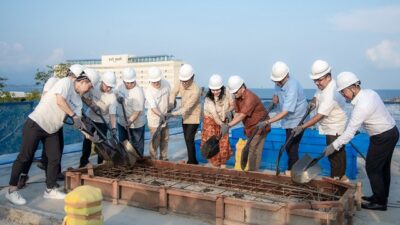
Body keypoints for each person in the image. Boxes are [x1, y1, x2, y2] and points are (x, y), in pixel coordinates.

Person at [5, 69, 94, 205]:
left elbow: (79, 122)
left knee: (55, 158)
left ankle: (50, 190)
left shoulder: (78, 100)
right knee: (25, 157)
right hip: (36, 123)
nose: (90, 90)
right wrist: (74, 116)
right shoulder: (66, 83)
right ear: (83, 81)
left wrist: (88, 135)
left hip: (52, 130)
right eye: (89, 86)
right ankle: (11, 190)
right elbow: (60, 101)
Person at [323, 72, 399, 211]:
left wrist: (333, 146)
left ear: (353, 87)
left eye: (343, 91)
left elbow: (349, 132)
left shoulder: (361, 106)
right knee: (383, 168)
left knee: (372, 168)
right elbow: (374, 116)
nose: (342, 95)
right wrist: (357, 129)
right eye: (340, 92)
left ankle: (380, 203)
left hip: (382, 136)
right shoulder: (369, 93)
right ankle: (380, 197)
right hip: (391, 131)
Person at [292, 60, 348, 181]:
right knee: (333, 156)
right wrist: (313, 101)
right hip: (329, 127)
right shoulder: (323, 86)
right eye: (315, 81)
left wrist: (302, 127)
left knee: (335, 157)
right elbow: (317, 94)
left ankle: (337, 180)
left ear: (328, 76)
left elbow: (319, 115)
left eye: (319, 80)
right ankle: (339, 178)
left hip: (335, 128)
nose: (317, 83)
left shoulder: (332, 92)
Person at [257, 61, 308, 175]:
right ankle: (294, 170)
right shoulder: (278, 83)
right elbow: (276, 94)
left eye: (279, 81)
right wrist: (275, 98)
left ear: (286, 76)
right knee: (289, 147)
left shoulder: (293, 86)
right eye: (275, 81)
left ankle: (293, 172)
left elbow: (285, 112)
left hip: (298, 120)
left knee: (291, 147)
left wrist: (267, 122)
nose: (277, 83)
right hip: (288, 121)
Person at [224, 75, 270, 171]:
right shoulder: (237, 97)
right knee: (251, 149)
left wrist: (228, 126)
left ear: (242, 88)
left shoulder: (250, 98)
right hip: (250, 127)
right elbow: (237, 113)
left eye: (235, 92)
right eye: (233, 92)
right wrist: (228, 124)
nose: (234, 94)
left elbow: (242, 115)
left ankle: (253, 172)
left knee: (254, 149)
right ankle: (252, 171)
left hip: (260, 126)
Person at [80, 71, 117, 167]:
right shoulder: (93, 87)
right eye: (107, 86)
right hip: (90, 118)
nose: (109, 88)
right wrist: (92, 105)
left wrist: (113, 128)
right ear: (102, 82)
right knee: (87, 140)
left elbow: (112, 115)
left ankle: (100, 164)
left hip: (102, 121)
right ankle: (83, 162)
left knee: (101, 143)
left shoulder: (112, 97)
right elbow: (83, 98)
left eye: (111, 87)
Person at [169, 64, 201, 164]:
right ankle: (193, 160)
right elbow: (173, 92)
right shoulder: (181, 82)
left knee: (189, 138)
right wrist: (171, 104)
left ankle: (192, 162)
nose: (184, 83)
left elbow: (186, 109)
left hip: (194, 117)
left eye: (186, 81)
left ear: (192, 77)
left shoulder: (196, 90)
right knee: (187, 139)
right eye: (182, 80)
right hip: (185, 117)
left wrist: (172, 114)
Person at [201, 74, 234, 168]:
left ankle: (223, 165)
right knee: (213, 144)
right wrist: (223, 125)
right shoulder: (208, 100)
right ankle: (216, 166)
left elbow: (232, 104)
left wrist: (229, 111)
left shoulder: (227, 92)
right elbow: (215, 116)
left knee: (224, 142)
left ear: (222, 87)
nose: (215, 92)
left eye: (217, 89)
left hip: (224, 119)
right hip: (211, 122)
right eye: (213, 90)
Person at [116, 68, 145, 155]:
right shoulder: (120, 86)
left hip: (136, 124)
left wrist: (129, 121)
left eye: (131, 82)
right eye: (127, 83)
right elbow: (116, 93)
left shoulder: (138, 92)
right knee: (123, 144)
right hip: (121, 122)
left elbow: (137, 112)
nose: (129, 84)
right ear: (124, 81)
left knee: (137, 146)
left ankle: (138, 163)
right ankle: (125, 163)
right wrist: (118, 97)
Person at [145, 67, 171, 160]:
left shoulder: (166, 84)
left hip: (165, 117)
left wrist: (171, 106)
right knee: (155, 140)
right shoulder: (149, 91)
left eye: (157, 81)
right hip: (154, 119)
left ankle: (164, 158)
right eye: (153, 82)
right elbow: (153, 108)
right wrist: (161, 115)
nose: (156, 83)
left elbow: (170, 98)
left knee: (165, 138)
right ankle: (153, 159)